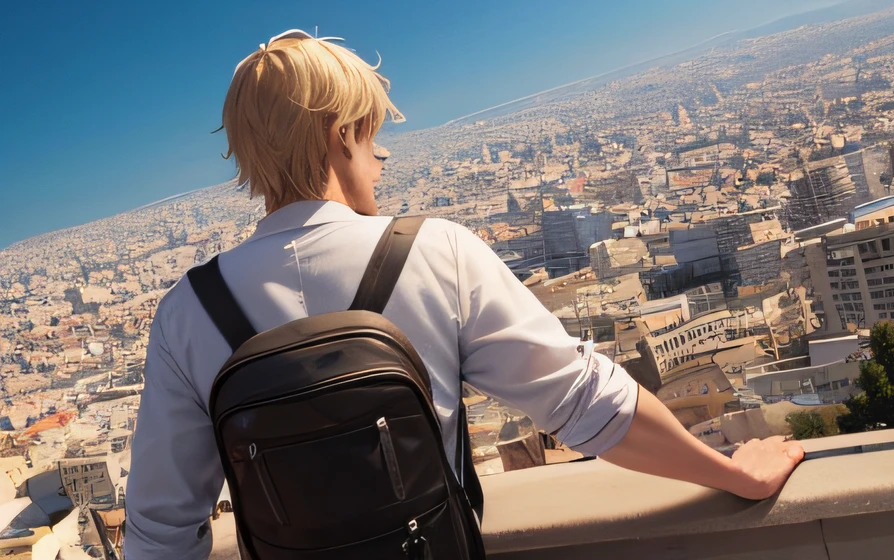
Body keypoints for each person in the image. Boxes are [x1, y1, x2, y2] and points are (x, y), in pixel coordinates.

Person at [123, 29, 803, 559]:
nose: (380, 158)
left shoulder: (188, 312)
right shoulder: (432, 253)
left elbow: (161, 529)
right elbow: (588, 403)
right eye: (371, 135)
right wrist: (737, 475)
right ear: (340, 137)